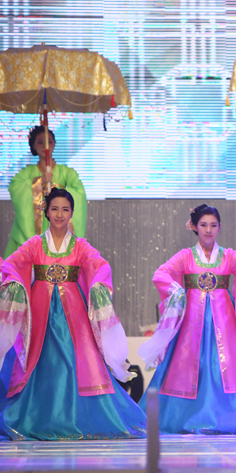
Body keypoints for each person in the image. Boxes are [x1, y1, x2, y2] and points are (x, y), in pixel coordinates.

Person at [0, 188, 145, 440]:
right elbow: (12, 264)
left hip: (74, 316)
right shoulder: (34, 245)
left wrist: (98, 284)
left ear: (72, 213)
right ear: (46, 212)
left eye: (65, 209)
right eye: (54, 209)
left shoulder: (80, 247)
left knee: (79, 360)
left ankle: (81, 417)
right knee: (40, 362)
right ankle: (36, 417)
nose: (59, 214)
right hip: (40, 315)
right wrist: (14, 281)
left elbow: (100, 265)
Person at [138, 204, 236, 434]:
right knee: (190, 364)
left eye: (213, 225)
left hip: (225, 320)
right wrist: (176, 292)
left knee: (228, 364)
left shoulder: (229, 256)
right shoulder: (185, 256)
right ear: (194, 227)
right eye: (203, 225)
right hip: (191, 322)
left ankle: (229, 414)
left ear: (220, 227)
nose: (208, 230)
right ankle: (184, 415)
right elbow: (161, 274)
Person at [4, 126, 87, 258]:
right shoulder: (27, 172)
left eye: (49, 142)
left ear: (54, 144)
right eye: (40, 142)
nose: (45, 146)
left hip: (57, 220)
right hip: (34, 224)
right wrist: (39, 182)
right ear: (34, 145)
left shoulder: (66, 172)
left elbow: (79, 191)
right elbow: (16, 187)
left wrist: (56, 190)